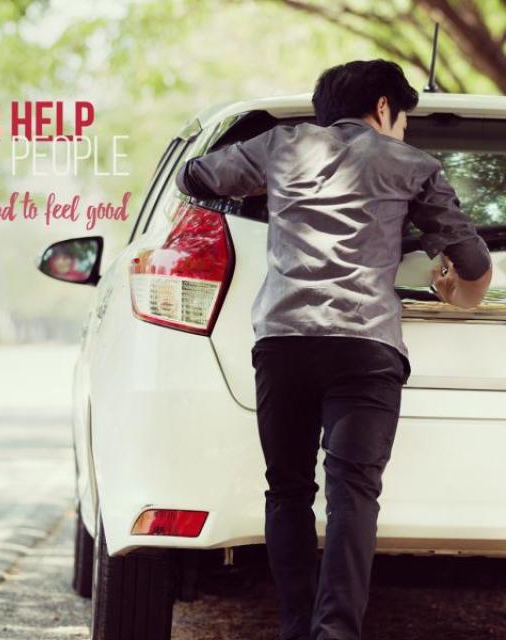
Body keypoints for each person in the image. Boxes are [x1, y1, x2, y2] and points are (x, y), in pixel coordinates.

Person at [175, 59, 492, 640]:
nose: (402, 133)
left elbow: (194, 178)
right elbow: (473, 266)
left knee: (288, 489)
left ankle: (296, 629)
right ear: (381, 108)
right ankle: (336, 633)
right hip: (364, 350)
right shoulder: (412, 166)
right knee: (353, 493)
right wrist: (456, 292)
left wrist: (268, 196)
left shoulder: (280, 147)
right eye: (401, 120)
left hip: (284, 345)